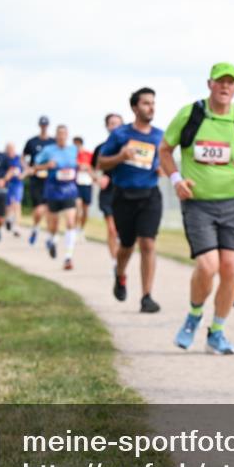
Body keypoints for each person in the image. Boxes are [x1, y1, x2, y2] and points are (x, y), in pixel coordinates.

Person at [161, 62, 234, 355]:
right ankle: (194, 315)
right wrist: (176, 179)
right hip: (198, 204)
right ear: (210, 84)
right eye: (220, 81)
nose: (224, 87)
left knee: (231, 269)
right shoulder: (191, 114)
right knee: (208, 266)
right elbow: (165, 150)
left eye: (230, 82)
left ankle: (216, 331)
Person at [96, 89, 164, 310]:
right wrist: (121, 156)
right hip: (124, 196)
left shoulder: (159, 135)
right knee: (126, 245)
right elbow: (101, 163)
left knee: (148, 243)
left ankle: (147, 296)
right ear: (135, 108)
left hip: (150, 195)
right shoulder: (120, 135)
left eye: (153, 103)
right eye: (146, 103)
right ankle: (120, 274)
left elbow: (162, 160)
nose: (151, 107)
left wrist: (162, 168)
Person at [33, 125, 81, 270]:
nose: (61, 136)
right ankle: (51, 240)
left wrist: (81, 167)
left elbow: (77, 164)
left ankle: (68, 257)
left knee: (71, 221)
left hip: (69, 189)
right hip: (53, 190)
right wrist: (47, 165)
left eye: (64, 134)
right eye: (59, 134)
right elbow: (35, 166)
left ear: (67, 135)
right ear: (56, 135)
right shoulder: (48, 150)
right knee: (53, 225)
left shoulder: (73, 149)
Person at [92, 113, 124, 262]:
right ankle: (115, 263)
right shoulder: (100, 148)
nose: (115, 126)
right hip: (108, 192)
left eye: (118, 123)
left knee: (124, 231)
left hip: (126, 191)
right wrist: (98, 178)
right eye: (112, 123)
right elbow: (92, 169)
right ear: (107, 126)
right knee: (112, 229)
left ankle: (121, 259)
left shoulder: (129, 146)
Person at [24, 115, 54, 246]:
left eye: (45, 125)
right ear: (39, 125)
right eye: (42, 125)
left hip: (49, 179)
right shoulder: (32, 142)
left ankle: (49, 237)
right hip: (36, 179)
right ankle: (35, 228)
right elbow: (22, 157)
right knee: (38, 209)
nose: (44, 127)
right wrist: (27, 168)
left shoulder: (53, 142)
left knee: (48, 209)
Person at [74, 136, 94, 237]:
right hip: (76, 184)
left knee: (86, 211)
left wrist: (87, 167)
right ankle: (74, 228)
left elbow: (94, 167)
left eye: (76, 144)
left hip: (87, 184)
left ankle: (81, 229)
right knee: (78, 209)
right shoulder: (73, 155)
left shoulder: (89, 154)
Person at [5, 142, 24, 236]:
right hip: (6, 184)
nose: (9, 151)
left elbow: (27, 169)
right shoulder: (4, 159)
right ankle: (8, 219)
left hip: (17, 184)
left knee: (17, 204)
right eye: (8, 149)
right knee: (8, 205)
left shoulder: (19, 158)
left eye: (11, 149)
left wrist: (22, 175)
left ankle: (17, 227)